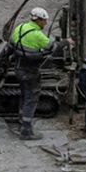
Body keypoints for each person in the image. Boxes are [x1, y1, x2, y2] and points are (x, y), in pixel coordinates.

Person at [9, 7, 53, 139]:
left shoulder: (20, 28)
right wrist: (65, 43)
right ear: (38, 20)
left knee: (24, 94)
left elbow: (11, 43)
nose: (45, 23)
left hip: (18, 69)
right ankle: (26, 131)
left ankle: (21, 119)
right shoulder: (37, 35)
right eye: (44, 20)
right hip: (30, 71)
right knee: (31, 98)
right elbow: (51, 47)